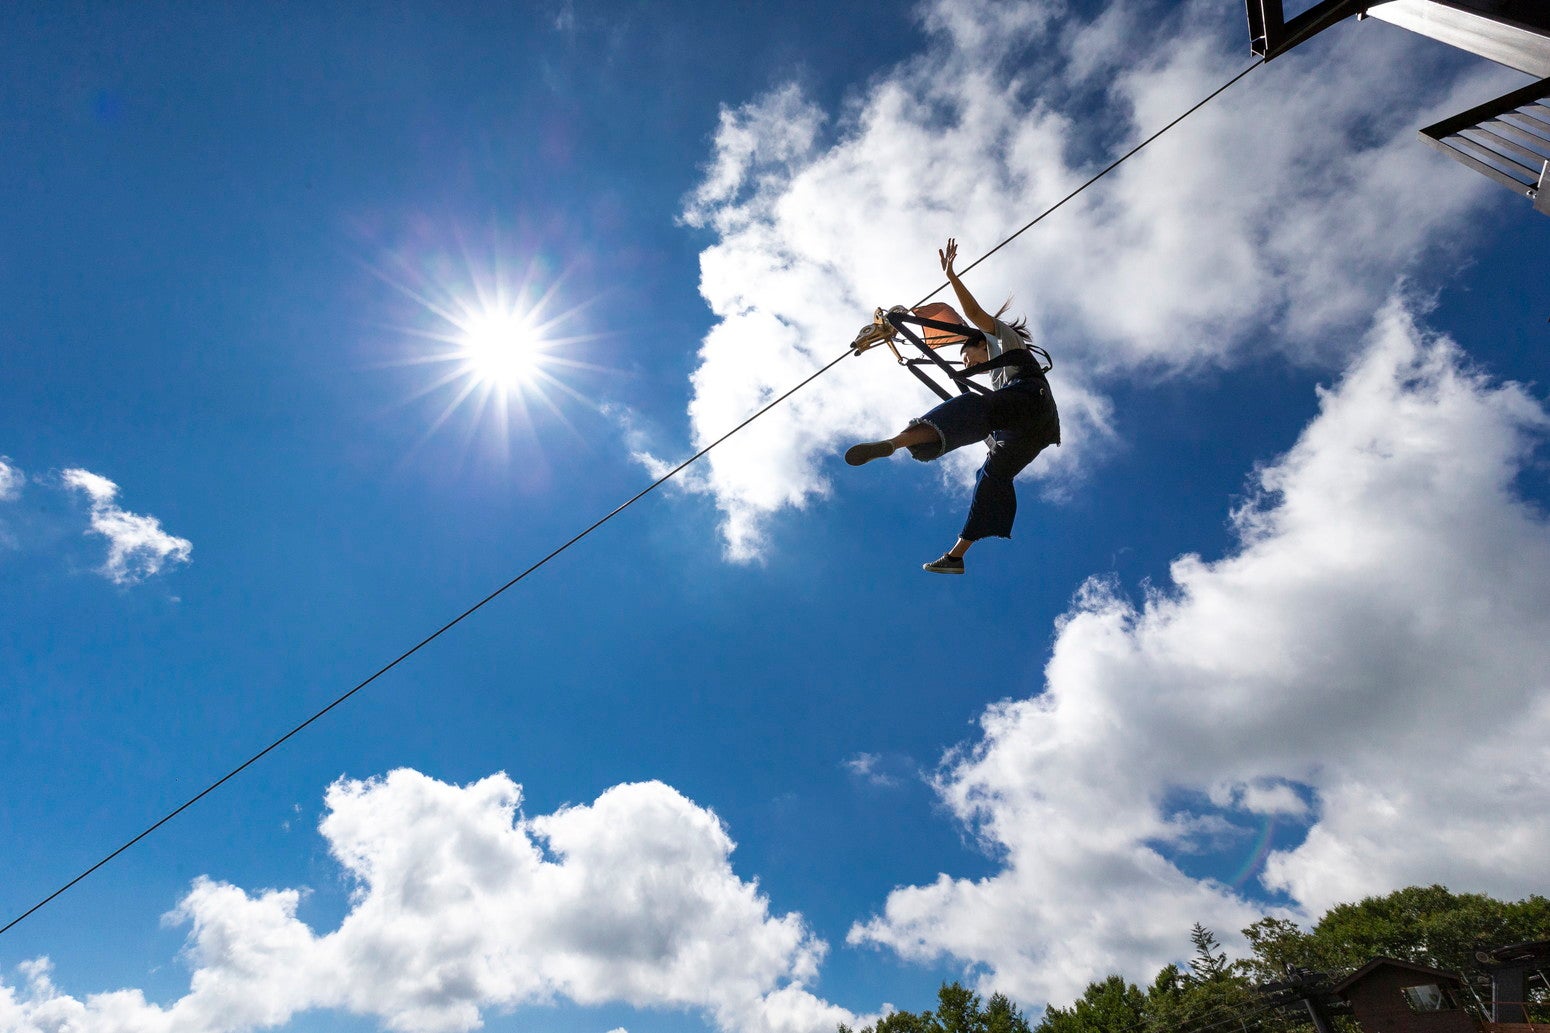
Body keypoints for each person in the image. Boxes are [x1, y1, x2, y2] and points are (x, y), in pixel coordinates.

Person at [845, 239, 1060, 574]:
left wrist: (952, 276)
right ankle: (957, 556)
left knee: (974, 405)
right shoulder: (998, 382)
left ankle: (897, 443)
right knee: (989, 474)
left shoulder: (1002, 340)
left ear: (980, 343)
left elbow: (974, 315)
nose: (965, 359)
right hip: (1027, 432)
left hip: (1032, 401)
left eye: (966, 353)